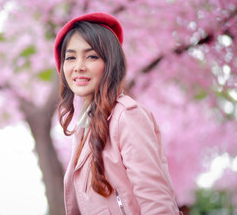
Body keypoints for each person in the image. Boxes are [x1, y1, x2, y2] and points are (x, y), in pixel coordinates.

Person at [54, 12, 182, 215]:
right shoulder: (84, 127)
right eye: (70, 58)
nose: (78, 67)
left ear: (110, 63)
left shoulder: (127, 116)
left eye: (92, 56)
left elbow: (156, 202)